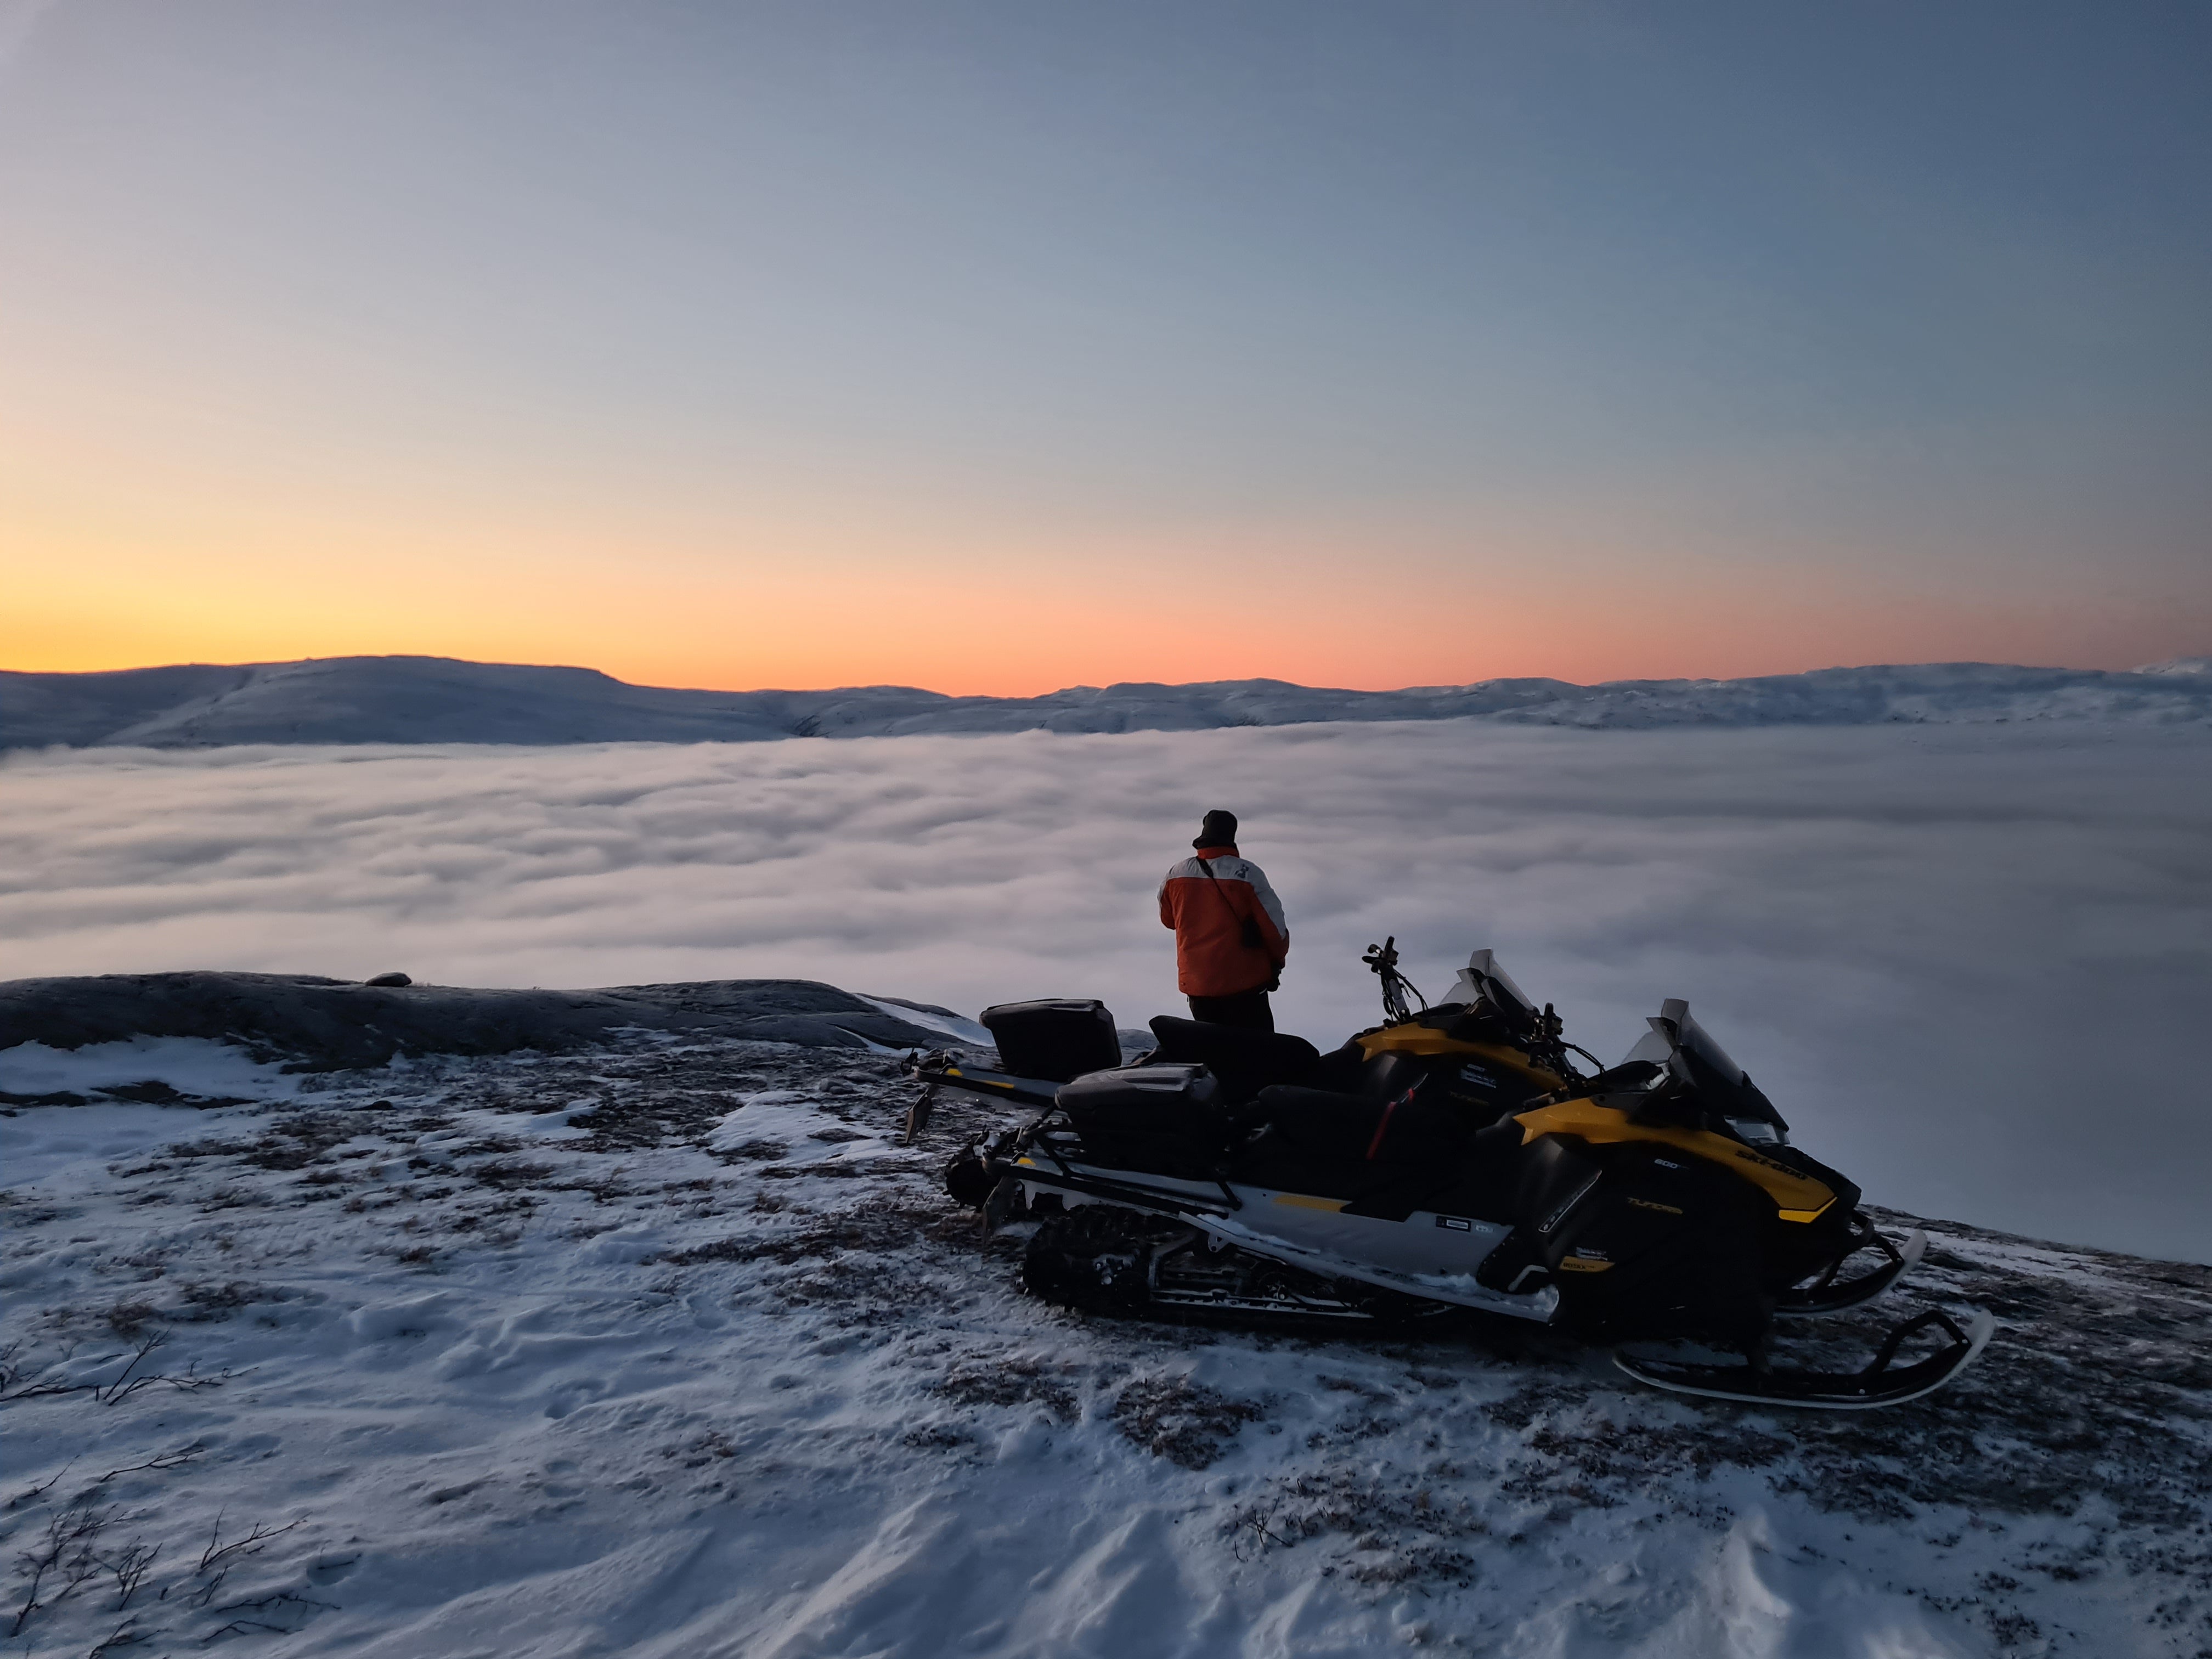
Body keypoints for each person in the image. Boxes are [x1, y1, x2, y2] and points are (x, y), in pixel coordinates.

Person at [1158, 809, 1289, 1031]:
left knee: (1215, 1055)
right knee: (1258, 1054)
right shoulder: (1248, 873)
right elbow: (1275, 933)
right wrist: (1277, 961)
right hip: (1245, 986)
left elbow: (1169, 920)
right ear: (1232, 835)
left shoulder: (1176, 873)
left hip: (1198, 987)